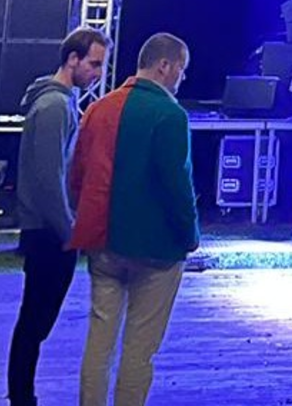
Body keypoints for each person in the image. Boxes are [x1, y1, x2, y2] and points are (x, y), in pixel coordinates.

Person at [67, 33, 199, 406]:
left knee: (99, 341)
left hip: (103, 245)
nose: (182, 78)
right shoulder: (170, 115)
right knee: (139, 351)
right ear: (165, 66)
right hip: (156, 252)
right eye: (181, 70)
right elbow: (177, 187)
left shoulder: (97, 109)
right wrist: (190, 236)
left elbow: (76, 177)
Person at [7, 27, 108, 406]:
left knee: (34, 323)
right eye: (93, 64)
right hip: (49, 232)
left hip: (48, 228)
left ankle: (22, 396)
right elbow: (49, 180)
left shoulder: (59, 102)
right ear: (72, 59)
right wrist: (70, 232)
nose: (97, 73)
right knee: (34, 323)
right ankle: (22, 398)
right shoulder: (54, 107)